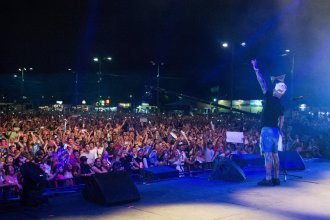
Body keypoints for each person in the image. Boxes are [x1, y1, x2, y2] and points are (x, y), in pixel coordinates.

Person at [251, 59, 286, 186]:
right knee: (276, 155)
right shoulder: (281, 105)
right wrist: (280, 130)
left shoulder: (269, 98)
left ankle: (268, 178)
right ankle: (276, 178)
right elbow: (282, 120)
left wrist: (256, 69)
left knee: (268, 155)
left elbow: (262, 83)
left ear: (276, 90)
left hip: (266, 130)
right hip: (276, 131)